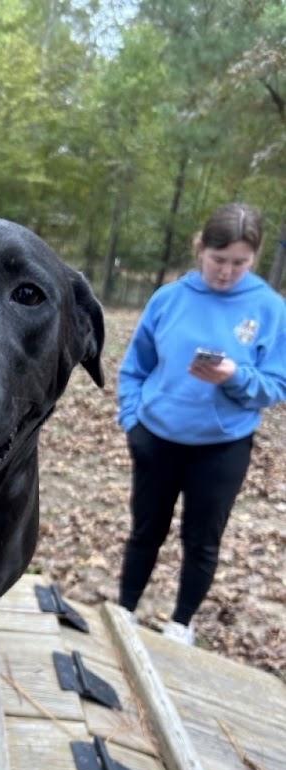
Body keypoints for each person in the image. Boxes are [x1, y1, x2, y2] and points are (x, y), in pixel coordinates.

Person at [117, 202, 285, 645]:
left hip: (222, 447)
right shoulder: (169, 299)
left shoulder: (269, 308)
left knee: (202, 541)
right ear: (200, 248)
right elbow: (135, 367)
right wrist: (132, 420)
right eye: (218, 260)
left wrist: (235, 377)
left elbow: (275, 386)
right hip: (156, 438)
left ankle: (181, 624)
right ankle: (125, 611)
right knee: (144, 532)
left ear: (255, 258)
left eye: (239, 263)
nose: (227, 272)